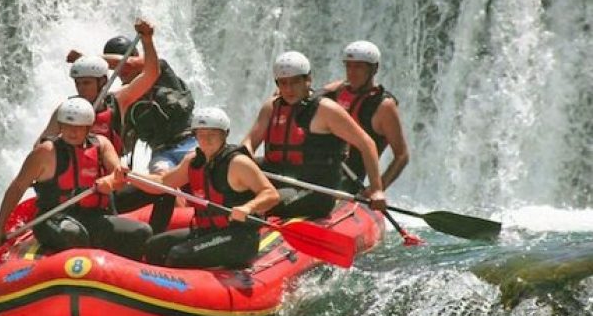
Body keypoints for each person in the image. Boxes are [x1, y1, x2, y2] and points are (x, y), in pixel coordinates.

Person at [0, 97, 152, 260]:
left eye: (78, 127)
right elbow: (17, 187)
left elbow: (118, 175)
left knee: (141, 233)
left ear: (88, 128)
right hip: (52, 218)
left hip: (93, 217)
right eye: (67, 126)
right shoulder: (45, 152)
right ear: (60, 126)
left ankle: (117, 273)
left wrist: (111, 181)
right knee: (73, 234)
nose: (72, 132)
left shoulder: (102, 145)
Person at [126, 107, 279, 269]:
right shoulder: (193, 161)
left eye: (212, 134)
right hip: (207, 231)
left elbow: (271, 194)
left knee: (179, 255)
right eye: (201, 134)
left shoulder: (238, 163)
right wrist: (129, 176)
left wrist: (248, 208)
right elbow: (162, 183)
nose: (206, 140)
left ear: (224, 135)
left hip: (237, 236)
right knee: (154, 247)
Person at [241, 51, 386, 219]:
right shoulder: (271, 107)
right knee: (232, 183)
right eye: (283, 83)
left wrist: (376, 190)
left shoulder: (326, 110)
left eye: (295, 82)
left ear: (307, 80)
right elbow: (249, 143)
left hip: (314, 189)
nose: (289, 89)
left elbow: (367, 143)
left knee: (262, 201)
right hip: (278, 178)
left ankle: (251, 224)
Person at [38, 19, 161, 155]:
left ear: (102, 82)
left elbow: (151, 74)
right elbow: (41, 144)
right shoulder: (66, 109)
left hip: (107, 171)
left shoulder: (118, 101)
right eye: (78, 83)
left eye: (86, 83)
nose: (81, 88)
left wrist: (147, 39)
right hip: (78, 171)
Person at [97, 32, 196, 174]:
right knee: (160, 175)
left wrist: (88, 59)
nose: (123, 70)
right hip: (162, 153)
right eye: (118, 68)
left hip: (190, 141)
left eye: (123, 62)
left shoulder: (159, 68)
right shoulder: (121, 99)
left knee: (201, 169)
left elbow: (130, 63)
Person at [323, 41, 409, 192]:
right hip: (319, 173)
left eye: (358, 67)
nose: (351, 72)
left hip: (348, 183)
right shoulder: (339, 89)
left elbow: (402, 155)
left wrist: (377, 189)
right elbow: (308, 97)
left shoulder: (384, 106)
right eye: (348, 66)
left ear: (374, 69)